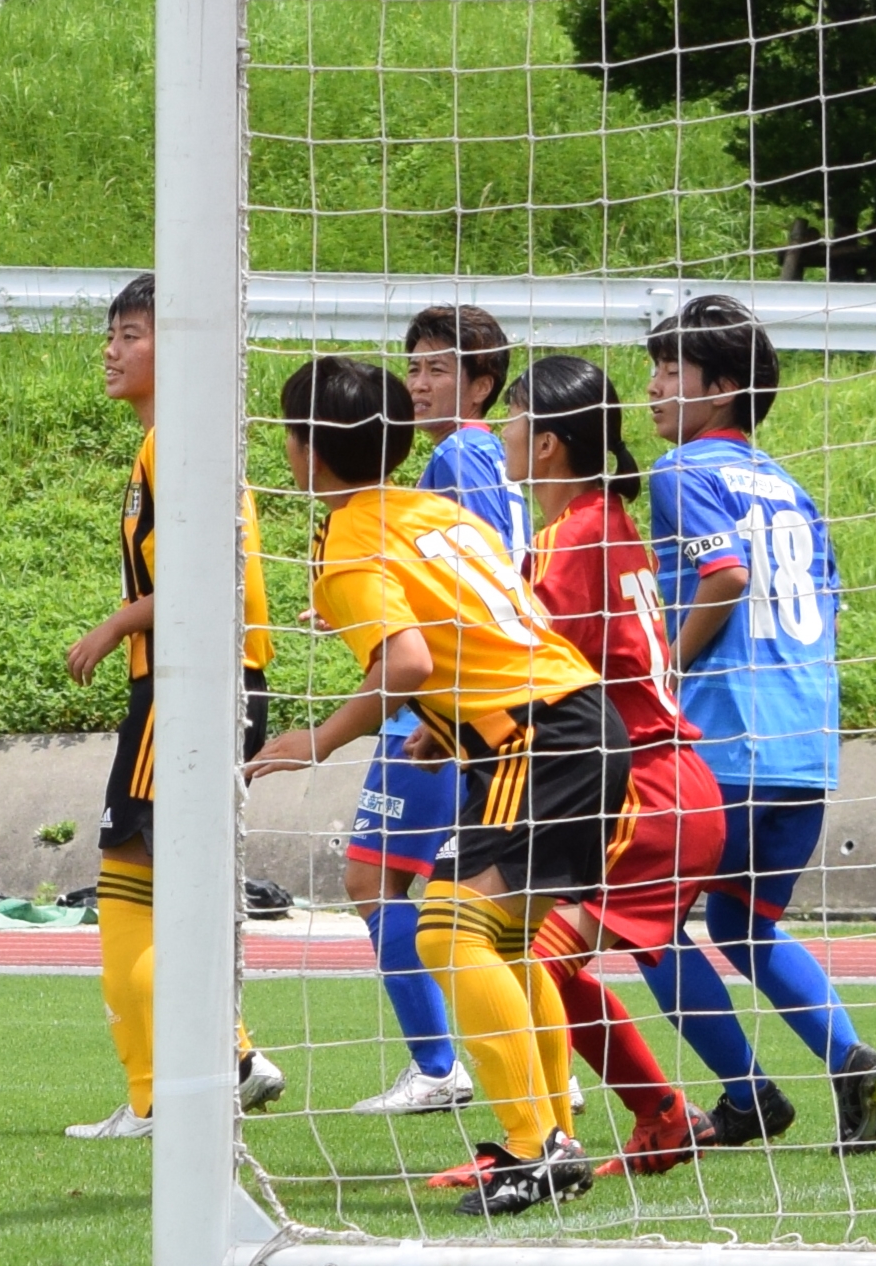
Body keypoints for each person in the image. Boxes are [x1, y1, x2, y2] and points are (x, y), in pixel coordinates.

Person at [253, 354, 621, 1218]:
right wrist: (442, 722)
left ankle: (534, 1145)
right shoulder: (432, 510)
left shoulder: (349, 540)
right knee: (504, 939)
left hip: (533, 738)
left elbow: (408, 656)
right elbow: (486, 626)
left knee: (447, 932)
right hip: (570, 718)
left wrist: (318, 738)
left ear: (303, 449)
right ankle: (553, 1130)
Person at [643, 294, 876, 1152]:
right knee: (745, 926)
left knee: (644, 922)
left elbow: (724, 576)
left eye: (670, 371)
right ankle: (849, 1055)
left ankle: (748, 1094)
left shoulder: (681, 474)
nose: (652, 387)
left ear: (719, 387)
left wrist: (663, 664)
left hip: (728, 739)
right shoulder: (791, 486)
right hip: (805, 744)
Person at [59, 275, 286, 1142]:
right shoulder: (179, 443)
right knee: (169, 887)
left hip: (190, 689)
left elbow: (201, 577)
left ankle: (172, 1089)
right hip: (214, 688)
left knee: (131, 888)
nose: (113, 350)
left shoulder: (177, 445)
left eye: (131, 334)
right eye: (110, 333)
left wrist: (117, 622)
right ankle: (222, 1057)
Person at [495, 355, 710, 1180]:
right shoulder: (607, 518)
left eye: (510, 417)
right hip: (656, 779)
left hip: (643, 788)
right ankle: (656, 1117)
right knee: (526, 952)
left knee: (518, 955)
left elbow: (528, 665)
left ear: (545, 443)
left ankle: (546, 1149)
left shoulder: (573, 536)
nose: (500, 433)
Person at [340, 307, 525, 1117]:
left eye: (439, 370)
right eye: (413, 368)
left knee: (373, 876)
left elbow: (482, 574)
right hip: (485, 699)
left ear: (483, 385)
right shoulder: (499, 454)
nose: (418, 384)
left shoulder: (459, 453)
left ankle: (441, 1064)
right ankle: (535, 1061)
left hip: (447, 702)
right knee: (486, 897)